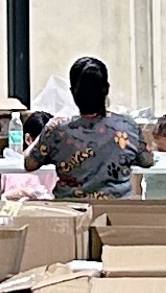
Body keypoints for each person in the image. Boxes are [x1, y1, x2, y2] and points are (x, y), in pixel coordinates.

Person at [34, 57, 151, 199]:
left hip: (70, 208)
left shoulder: (56, 130)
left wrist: (45, 131)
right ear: (107, 89)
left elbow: (30, 163)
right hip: (118, 208)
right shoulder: (128, 126)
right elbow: (147, 160)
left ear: (73, 92)